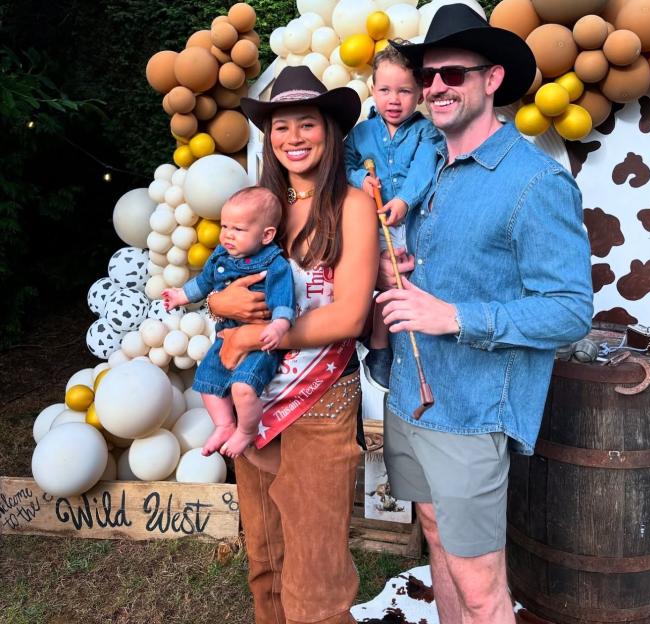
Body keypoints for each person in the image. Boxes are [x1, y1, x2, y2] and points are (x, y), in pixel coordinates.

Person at [377, 5, 594, 623]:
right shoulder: (432, 170)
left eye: (452, 74)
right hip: (410, 398)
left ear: (491, 79)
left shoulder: (534, 182)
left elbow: (570, 310)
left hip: (471, 415)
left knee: (481, 590)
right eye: (427, 77)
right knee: (437, 543)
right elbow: (441, 268)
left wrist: (456, 317)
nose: (436, 87)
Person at [206, 66, 379, 624]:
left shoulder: (351, 205)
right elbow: (217, 283)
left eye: (308, 124)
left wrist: (251, 333)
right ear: (268, 137)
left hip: (319, 403)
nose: (294, 138)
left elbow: (349, 316)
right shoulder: (258, 206)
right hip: (253, 399)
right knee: (266, 558)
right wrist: (217, 306)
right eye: (282, 127)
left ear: (330, 132)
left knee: (315, 573)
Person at [162, 186, 295, 458]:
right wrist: (180, 296)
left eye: (238, 229)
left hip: (260, 342)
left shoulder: (274, 263)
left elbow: (284, 300)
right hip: (225, 336)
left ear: (267, 235)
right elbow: (203, 282)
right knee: (206, 381)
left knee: (242, 388)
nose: (227, 235)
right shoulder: (221, 255)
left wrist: (279, 325)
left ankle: (246, 431)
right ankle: (224, 424)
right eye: (224, 226)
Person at [344, 44, 443, 389]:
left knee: (403, 282)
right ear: (373, 90)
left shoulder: (425, 132)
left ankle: (387, 346)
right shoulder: (360, 133)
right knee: (366, 276)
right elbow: (345, 164)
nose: (394, 99)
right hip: (367, 223)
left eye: (404, 91)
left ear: (419, 95)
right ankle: (369, 338)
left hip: (406, 223)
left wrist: (403, 199)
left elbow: (423, 168)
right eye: (385, 90)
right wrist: (360, 179)